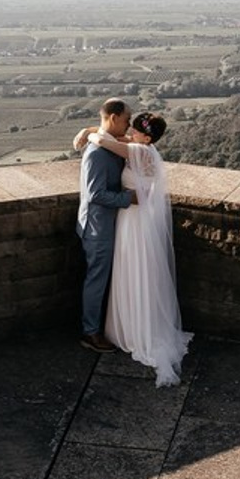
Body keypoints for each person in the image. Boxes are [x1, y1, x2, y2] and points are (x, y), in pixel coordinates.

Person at [74, 110, 192, 386]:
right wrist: (91, 129)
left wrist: (88, 133)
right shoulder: (140, 146)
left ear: (146, 136)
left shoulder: (140, 152)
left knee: (131, 271)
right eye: (129, 124)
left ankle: (128, 330)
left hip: (132, 221)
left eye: (135, 128)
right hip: (129, 219)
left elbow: (105, 140)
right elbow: (112, 135)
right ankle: (121, 327)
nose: (129, 131)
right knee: (127, 272)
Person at [76, 98, 136, 353]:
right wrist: (128, 198)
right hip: (97, 228)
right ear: (113, 118)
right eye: (126, 120)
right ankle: (90, 333)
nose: (129, 125)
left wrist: (89, 130)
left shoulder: (108, 143)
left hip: (105, 225)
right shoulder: (98, 154)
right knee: (96, 279)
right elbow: (95, 194)